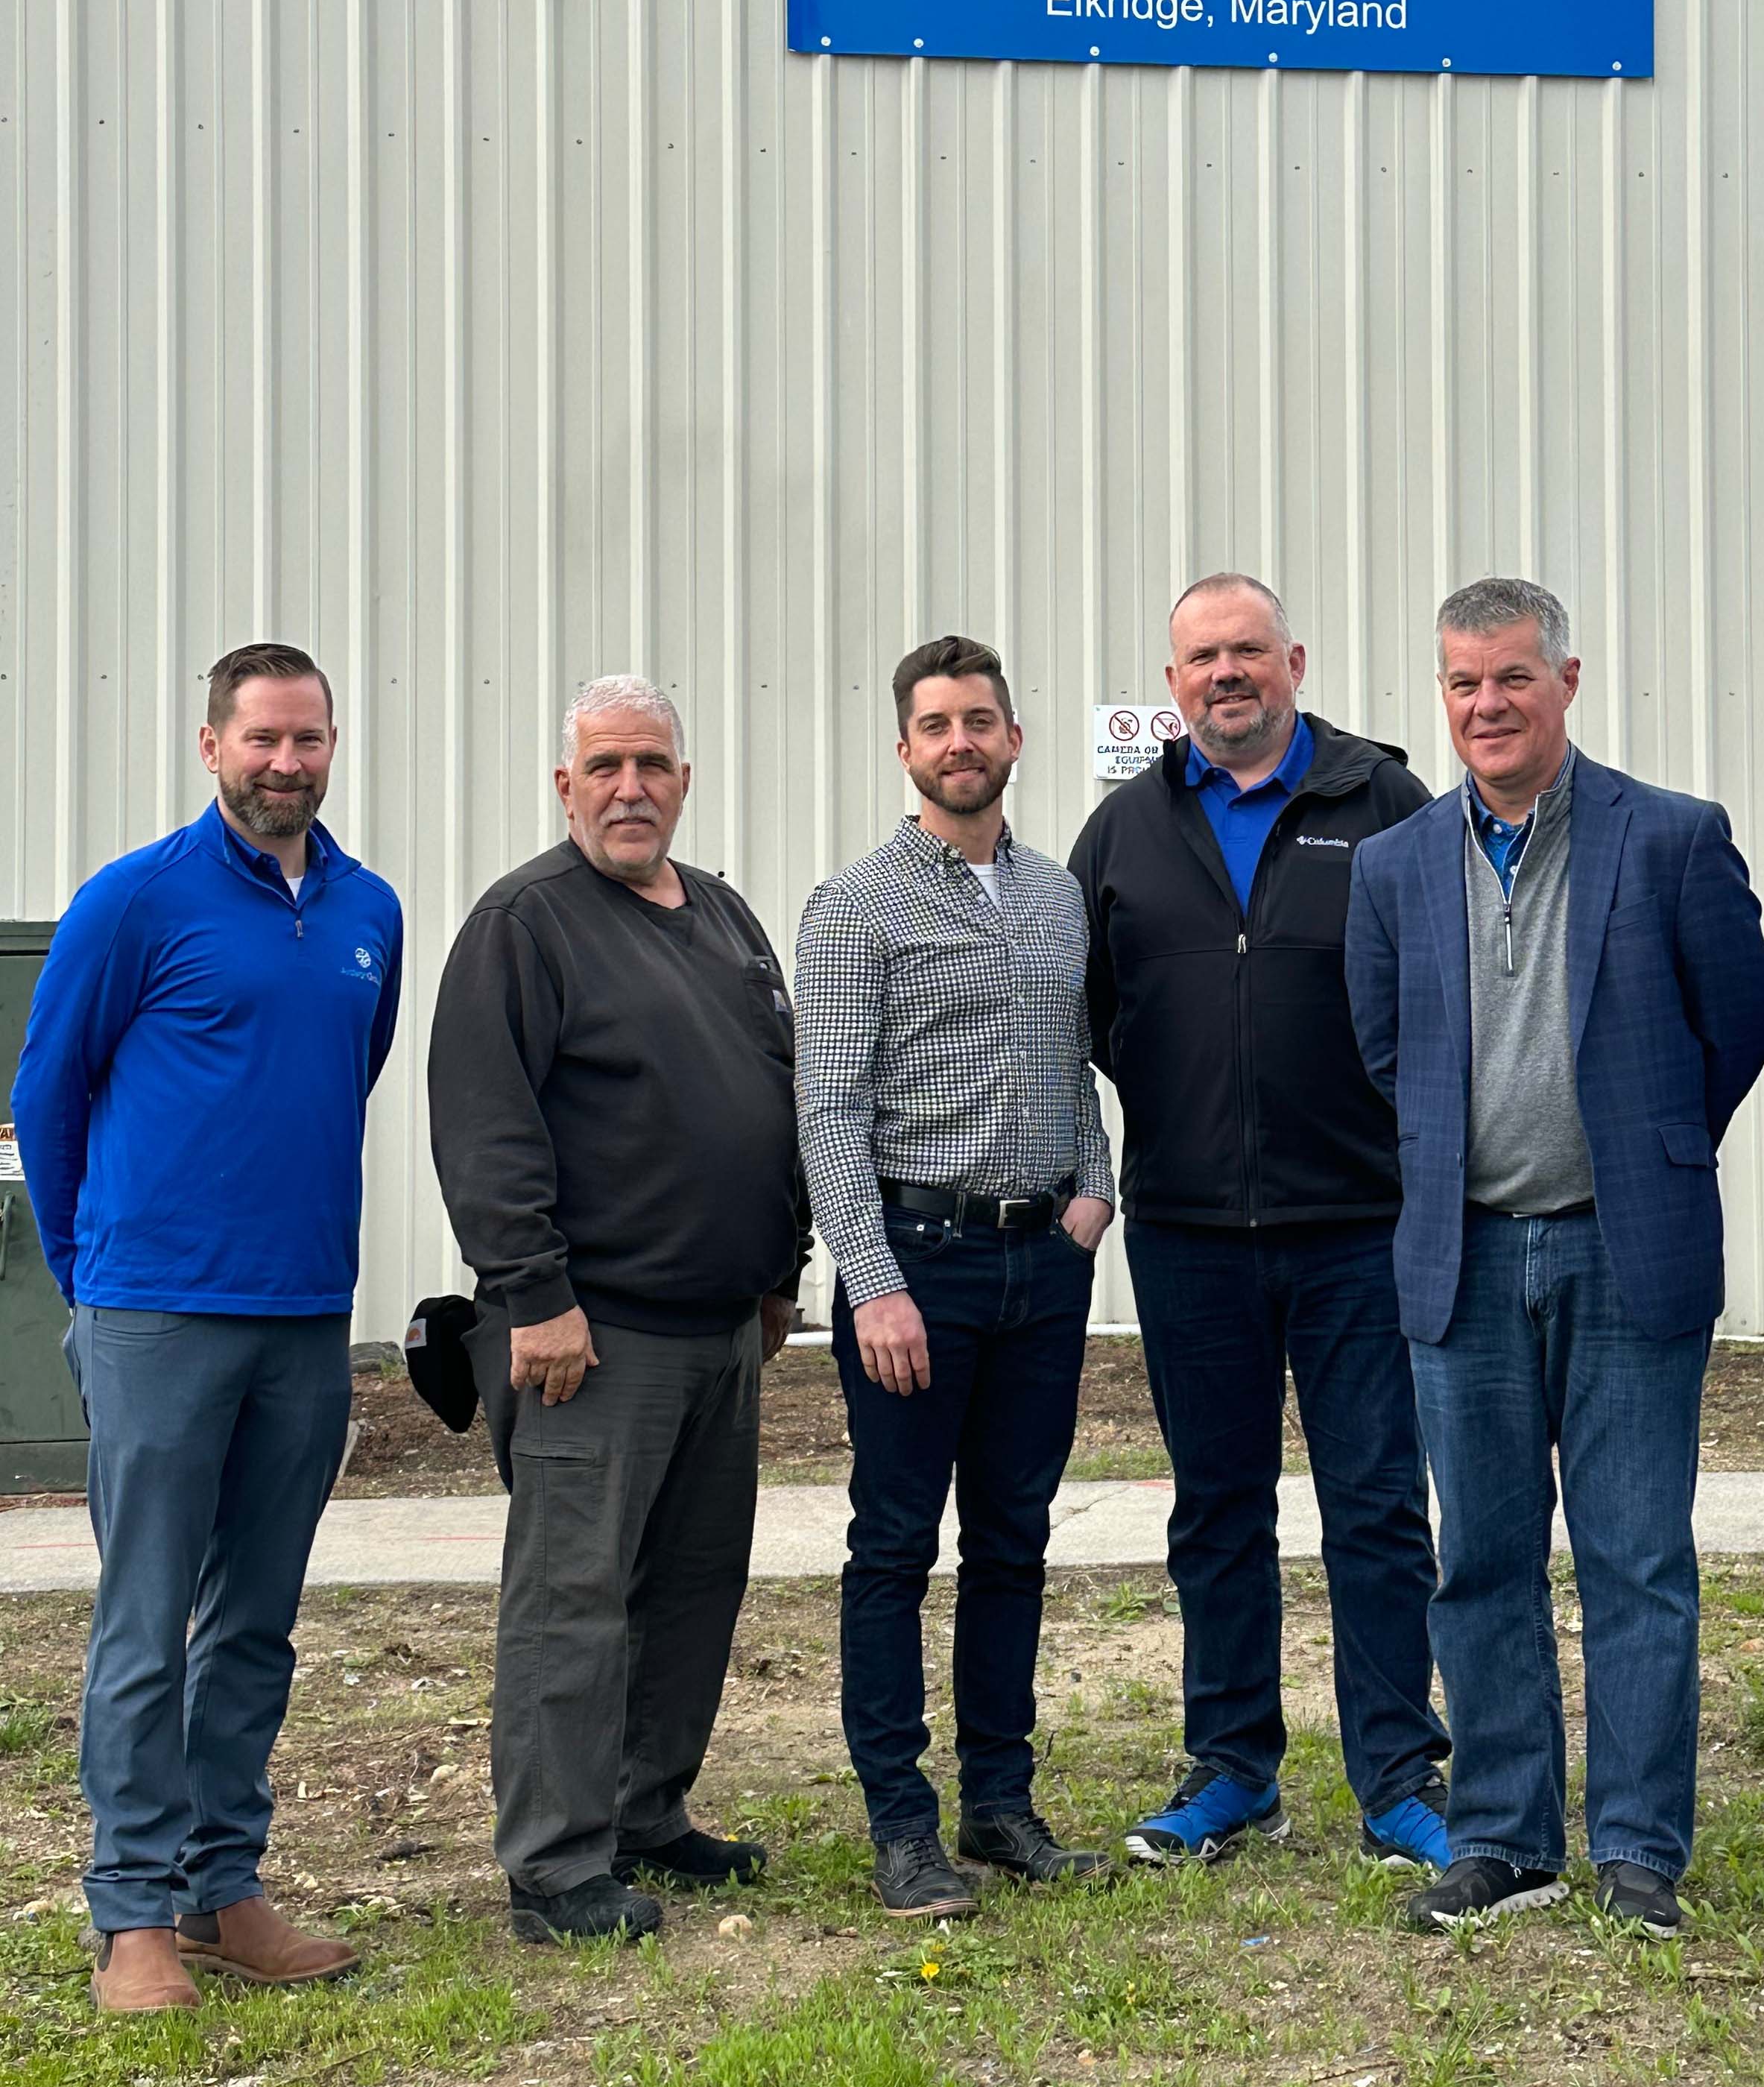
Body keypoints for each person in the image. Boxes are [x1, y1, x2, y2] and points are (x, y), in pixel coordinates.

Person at [1346, 577, 1764, 1938]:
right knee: (1478, 1557)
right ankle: (1503, 1836)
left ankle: (1638, 1844)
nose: (1486, 705)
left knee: (1635, 1559)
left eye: (1511, 677)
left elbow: (1739, 1021)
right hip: (1462, 1258)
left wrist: (1647, 1146)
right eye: (1462, 683)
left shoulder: (1669, 837)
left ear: (1566, 681)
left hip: (1623, 1248)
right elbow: (1383, 1050)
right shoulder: (1394, 865)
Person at [13, 642, 402, 2015]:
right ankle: (132, 1915)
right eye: (262, 739)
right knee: (144, 1621)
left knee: (254, 1623)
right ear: (211, 746)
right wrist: (92, 1275)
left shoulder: (367, 908)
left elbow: (347, 1072)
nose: (286, 762)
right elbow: (48, 1092)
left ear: (332, 744)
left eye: (309, 738)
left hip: (304, 1314)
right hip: (157, 1312)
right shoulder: (134, 899)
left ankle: (222, 1888)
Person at [1068, 574, 1451, 1873]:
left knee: (1376, 1508)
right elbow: (1093, 1013)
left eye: (1246, 650)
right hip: (1187, 1231)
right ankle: (1233, 1769)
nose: (1224, 674)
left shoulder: (1381, 801)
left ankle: (1397, 1775)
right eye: (1200, 658)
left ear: (1292, 660)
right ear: (1172, 683)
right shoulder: (1124, 829)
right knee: (1216, 1510)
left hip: (1357, 1225)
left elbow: (1440, 988)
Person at [427, 675, 806, 1948]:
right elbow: (486, 1123)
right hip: (591, 1337)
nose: (629, 787)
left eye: (651, 764)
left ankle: (647, 1813)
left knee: (691, 1589)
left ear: (684, 781)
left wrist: (779, 1271)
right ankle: (553, 1864)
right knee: (573, 1602)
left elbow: (775, 1095)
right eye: (604, 766)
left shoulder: (724, 915)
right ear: (565, 784)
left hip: (721, 1327)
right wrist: (534, 1295)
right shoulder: (525, 923)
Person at [796, 635, 1116, 1918]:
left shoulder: (1055, 895)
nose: (959, 742)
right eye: (935, 725)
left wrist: (1094, 1189)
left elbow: (1074, 1058)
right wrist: (869, 1280)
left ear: (1012, 737)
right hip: (915, 1269)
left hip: (1042, 1264)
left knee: (1013, 1540)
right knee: (891, 1547)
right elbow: (827, 1110)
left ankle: (1000, 1802)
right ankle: (901, 1826)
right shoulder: (854, 906)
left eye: (978, 719)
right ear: (905, 749)